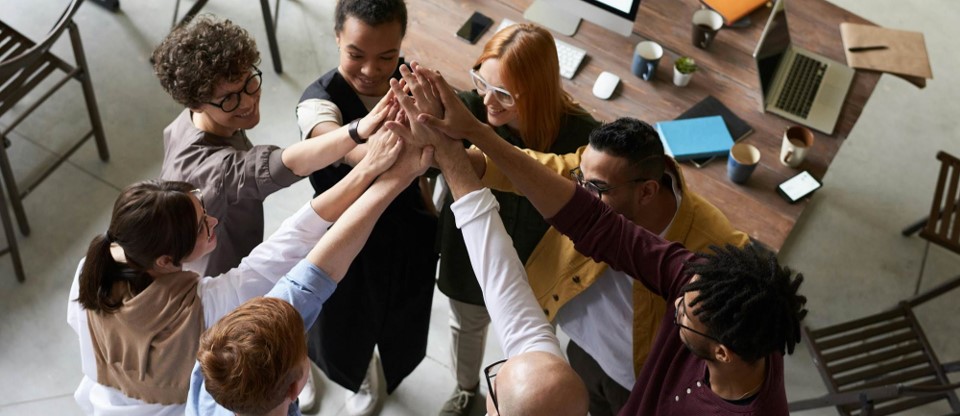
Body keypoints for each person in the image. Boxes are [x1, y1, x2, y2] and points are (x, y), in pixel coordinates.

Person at [390, 66, 808, 415]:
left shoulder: (721, 301)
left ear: (721, 354)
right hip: (594, 360)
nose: (674, 301)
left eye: (678, 315)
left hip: (630, 381)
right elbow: (590, 220)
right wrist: (467, 141)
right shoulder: (702, 283)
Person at [66, 132, 402, 416]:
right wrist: (371, 172)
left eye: (202, 208)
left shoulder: (92, 270)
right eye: (201, 227)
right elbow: (293, 247)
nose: (213, 222)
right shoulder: (207, 307)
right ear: (167, 261)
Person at [476, 117, 749, 415]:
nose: (580, 195)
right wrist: (459, 158)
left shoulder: (714, 248)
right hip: (582, 349)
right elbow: (533, 168)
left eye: (596, 188)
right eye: (579, 179)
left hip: (634, 382)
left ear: (647, 191)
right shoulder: (596, 173)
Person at [186, 138, 435, 416]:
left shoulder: (215, 372)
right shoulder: (215, 358)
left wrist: (395, 178)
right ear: (296, 387)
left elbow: (316, 272)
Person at [432, 23, 599, 415]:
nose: (488, 101)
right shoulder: (467, 110)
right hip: (470, 259)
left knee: (534, 357)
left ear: (538, 92)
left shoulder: (583, 140)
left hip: (541, 272)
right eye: (481, 82)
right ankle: (465, 388)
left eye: (504, 93)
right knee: (468, 326)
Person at [153, 15, 397, 279]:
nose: (247, 102)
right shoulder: (218, 171)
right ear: (196, 103)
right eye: (229, 99)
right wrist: (358, 130)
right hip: (224, 282)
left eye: (249, 82)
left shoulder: (187, 124)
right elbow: (285, 163)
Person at [295, 1, 437, 414]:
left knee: (398, 320)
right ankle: (314, 369)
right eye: (356, 54)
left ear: (401, 46)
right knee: (334, 320)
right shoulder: (318, 102)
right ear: (337, 37)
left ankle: (365, 373)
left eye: (387, 56)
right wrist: (385, 146)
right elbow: (339, 144)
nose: (372, 71)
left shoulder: (417, 85)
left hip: (406, 231)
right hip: (342, 233)